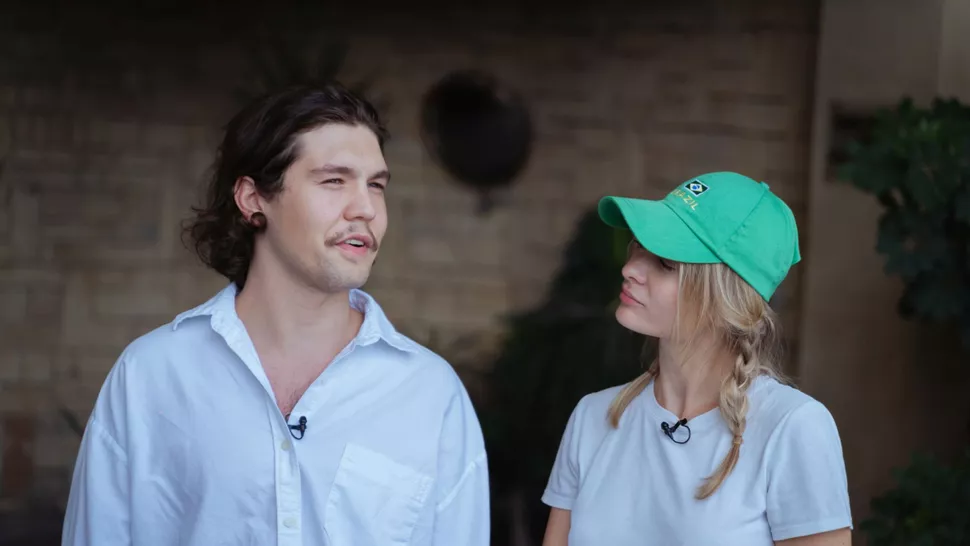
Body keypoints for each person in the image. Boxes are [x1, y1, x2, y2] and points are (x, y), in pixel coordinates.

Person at [61, 84, 490, 546]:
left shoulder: (431, 395)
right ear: (253, 199)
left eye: (376, 185)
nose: (366, 209)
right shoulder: (151, 375)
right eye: (334, 181)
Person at [541, 172, 852, 546]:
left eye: (665, 263)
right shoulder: (593, 418)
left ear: (726, 296)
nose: (629, 269)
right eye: (638, 246)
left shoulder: (792, 426)